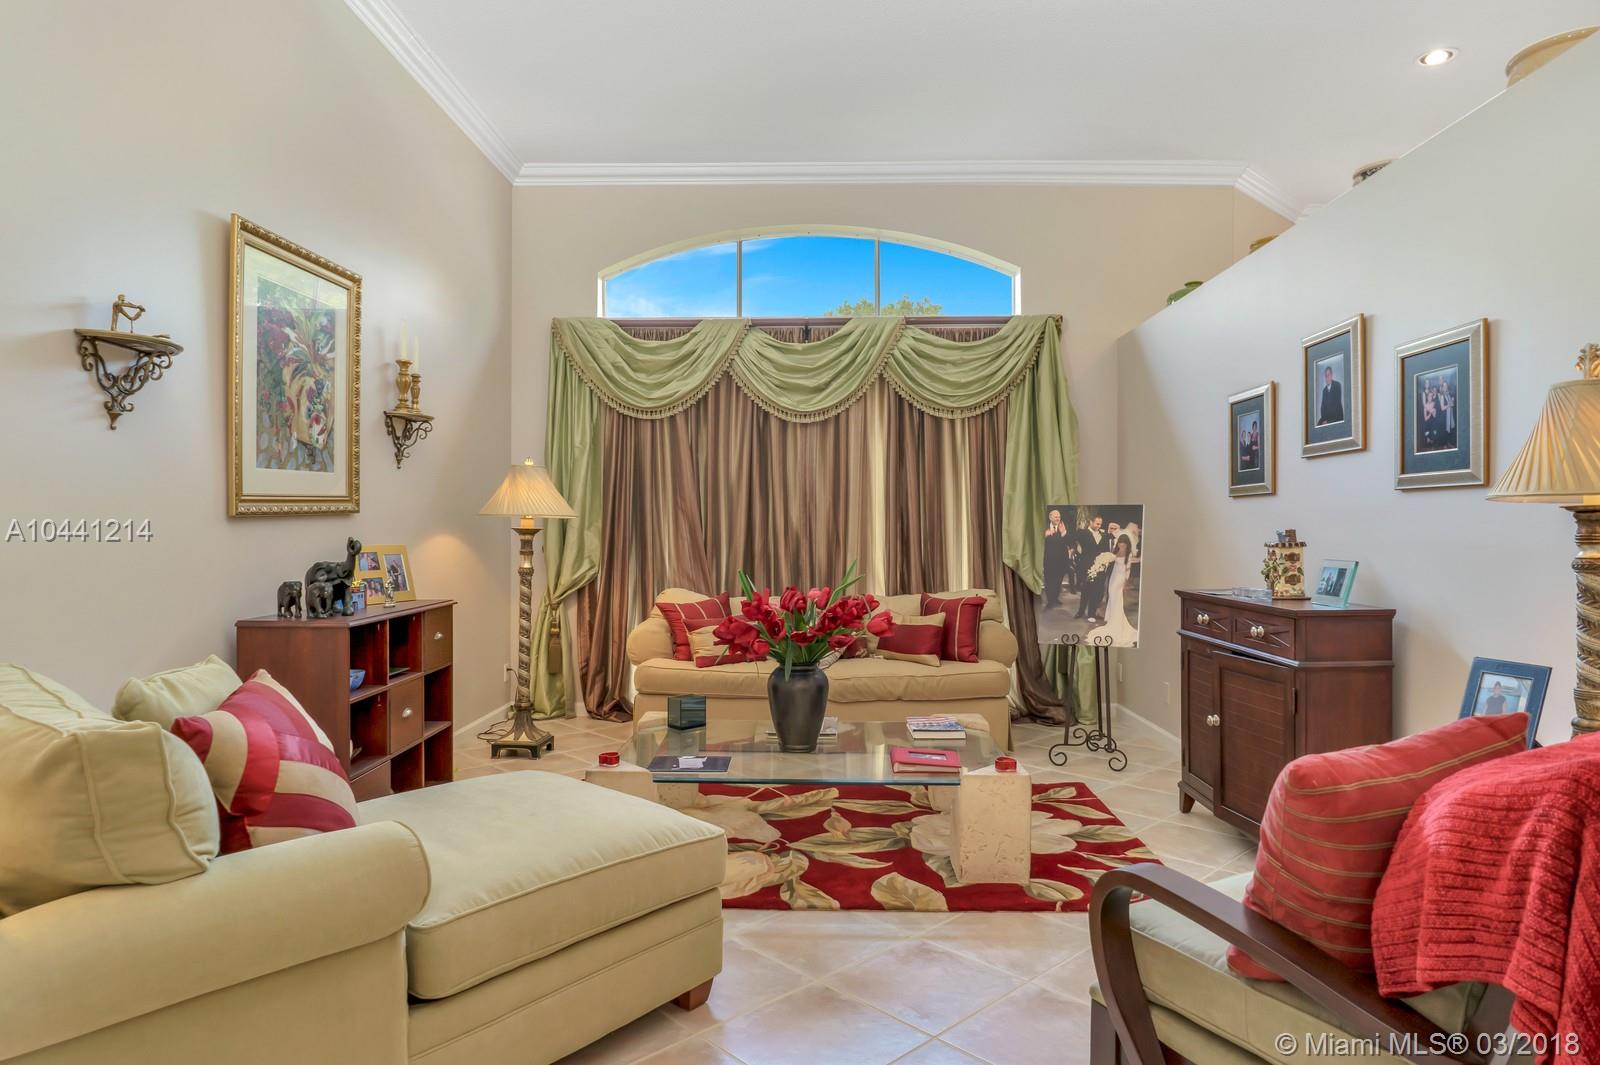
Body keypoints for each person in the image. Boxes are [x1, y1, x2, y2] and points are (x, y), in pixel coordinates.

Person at [1087, 536, 1139, 646]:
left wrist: (1125, 583)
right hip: (1113, 577)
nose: (1121, 545)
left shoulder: (1128, 555)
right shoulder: (1115, 551)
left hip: (1120, 578)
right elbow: (1109, 561)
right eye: (1120, 543)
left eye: (1124, 544)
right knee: (1112, 598)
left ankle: (1117, 621)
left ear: (1127, 545)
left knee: (1117, 599)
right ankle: (1112, 619)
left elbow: (1128, 569)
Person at [1073, 514, 1108, 621]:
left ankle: (1092, 613)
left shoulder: (1103, 535)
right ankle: (1080, 611)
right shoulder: (1082, 533)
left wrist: (1104, 562)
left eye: (1100, 524)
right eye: (1097, 523)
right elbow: (1072, 540)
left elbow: (1106, 550)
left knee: (1096, 591)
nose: (1099, 526)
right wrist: (1077, 552)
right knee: (1085, 590)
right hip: (1086, 566)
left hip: (1100, 567)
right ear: (1091, 522)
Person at [1042, 508, 1072, 607]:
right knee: (1049, 581)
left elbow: (1069, 542)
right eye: (1056, 517)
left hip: (1061, 561)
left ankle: (1055, 598)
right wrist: (1044, 536)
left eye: (1059, 517)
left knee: (1058, 581)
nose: (1058, 518)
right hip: (1049, 560)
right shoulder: (1043, 528)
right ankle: (1050, 600)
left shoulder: (1063, 527)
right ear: (1050, 517)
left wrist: (1064, 533)